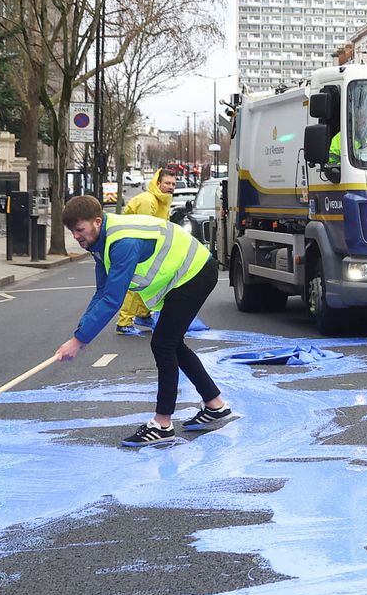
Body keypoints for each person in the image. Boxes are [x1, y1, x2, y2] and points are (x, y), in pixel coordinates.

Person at [55, 195, 234, 447]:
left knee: (163, 344)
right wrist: (80, 334)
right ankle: (215, 405)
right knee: (171, 343)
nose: (76, 236)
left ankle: (162, 424)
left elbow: (113, 300)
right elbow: (102, 292)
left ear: (97, 221)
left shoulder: (121, 243)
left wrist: (79, 340)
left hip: (195, 272)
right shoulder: (101, 241)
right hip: (184, 276)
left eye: (79, 229)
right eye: (72, 231)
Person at [114, 168, 177, 336]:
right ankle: (124, 322)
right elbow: (145, 228)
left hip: (143, 246)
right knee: (137, 284)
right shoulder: (148, 201)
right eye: (167, 183)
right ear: (158, 183)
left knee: (149, 282)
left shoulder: (162, 200)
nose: (171, 187)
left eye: (173, 184)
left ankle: (142, 314)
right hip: (135, 246)